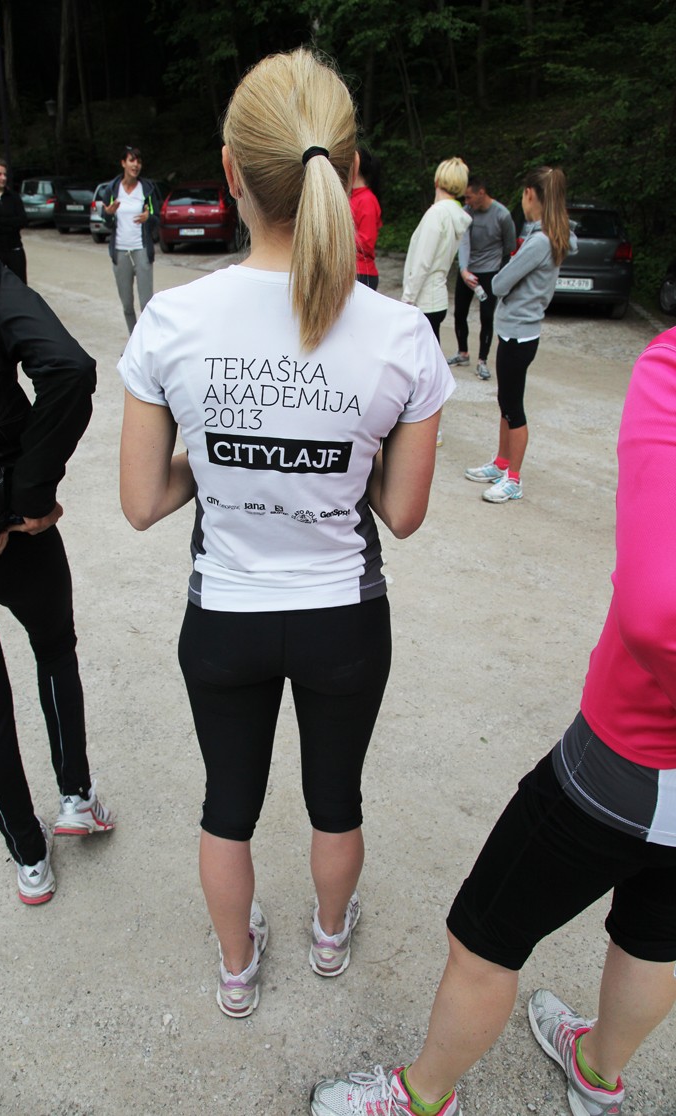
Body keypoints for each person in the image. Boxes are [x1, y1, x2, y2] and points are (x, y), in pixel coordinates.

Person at [119, 48, 453, 1019]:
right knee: (336, 798)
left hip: (224, 615)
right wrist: (340, 450)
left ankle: (236, 970)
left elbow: (140, 501)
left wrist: (215, 455)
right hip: (343, 618)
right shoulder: (401, 336)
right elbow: (403, 513)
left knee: (227, 805)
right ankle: (330, 937)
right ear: (349, 174)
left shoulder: (171, 322)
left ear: (230, 170)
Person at [311, 326, 676, 1116]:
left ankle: (422, 1097)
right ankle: (598, 1072)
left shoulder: (674, 365)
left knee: (485, 938)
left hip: (634, 755)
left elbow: (658, 614)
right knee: (656, 930)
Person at [0, 136, 114, 906]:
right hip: (20, 528)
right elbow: (68, 368)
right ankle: (75, 796)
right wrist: (28, 497)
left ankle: (27, 856)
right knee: (54, 650)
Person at [464, 166, 574, 503]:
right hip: (518, 331)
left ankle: (513, 479)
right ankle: (501, 462)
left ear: (530, 194)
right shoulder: (551, 235)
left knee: (513, 407)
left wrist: (505, 277)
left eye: (524, 195)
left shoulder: (539, 242)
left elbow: (499, 283)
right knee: (506, 401)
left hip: (519, 334)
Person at [402, 158, 471, 448]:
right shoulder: (455, 215)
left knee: (419, 369)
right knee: (426, 366)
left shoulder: (436, 214)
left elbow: (422, 262)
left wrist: (407, 299)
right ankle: (428, 426)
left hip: (424, 299)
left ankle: (429, 428)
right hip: (437, 297)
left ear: (437, 181)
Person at [447, 175, 516, 380]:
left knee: (486, 316)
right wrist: (463, 269)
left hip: (490, 271)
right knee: (460, 312)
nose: (466, 202)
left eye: (469, 197)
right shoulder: (467, 212)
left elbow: (509, 247)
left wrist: (501, 274)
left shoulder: (502, 215)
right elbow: (463, 242)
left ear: (481, 193)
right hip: (468, 271)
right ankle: (463, 353)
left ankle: (482, 361)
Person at [101, 145, 161, 335]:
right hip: (120, 251)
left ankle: (147, 340)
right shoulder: (112, 190)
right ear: (123, 163)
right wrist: (108, 214)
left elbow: (157, 218)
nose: (136, 165)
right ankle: (134, 339)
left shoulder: (147, 189)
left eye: (139, 161)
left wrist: (148, 218)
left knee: (146, 304)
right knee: (127, 304)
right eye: (132, 160)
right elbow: (106, 221)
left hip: (141, 249)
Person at [350, 146, 382, 290]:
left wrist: (337, 235)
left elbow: (367, 243)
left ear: (355, 166)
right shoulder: (352, 197)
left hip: (361, 275)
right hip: (349, 272)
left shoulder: (366, 199)